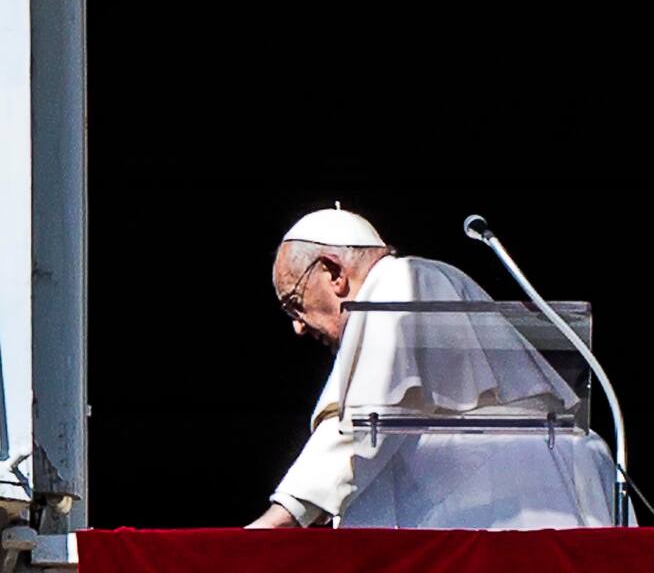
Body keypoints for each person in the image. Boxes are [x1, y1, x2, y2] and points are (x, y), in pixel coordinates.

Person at [247, 204, 617, 529]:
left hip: (505, 504)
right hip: (528, 497)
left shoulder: (400, 281)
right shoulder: (428, 279)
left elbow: (370, 416)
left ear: (333, 273)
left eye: (294, 303)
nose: (298, 327)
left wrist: (285, 513)